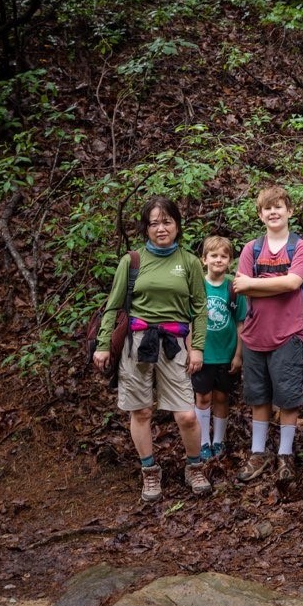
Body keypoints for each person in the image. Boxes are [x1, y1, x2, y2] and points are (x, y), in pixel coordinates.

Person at [92, 195, 211, 501]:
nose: (161, 228)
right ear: (145, 228)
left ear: (177, 225)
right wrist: (103, 344)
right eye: (154, 223)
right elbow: (113, 306)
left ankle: (194, 465)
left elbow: (200, 309)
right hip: (137, 344)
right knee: (142, 411)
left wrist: (197, 348)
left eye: (167, 222)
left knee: (186, 415)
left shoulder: (190, 262)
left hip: (175, 345)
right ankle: (150, 472)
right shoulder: (131, 262)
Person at [233, 186, 303, 485]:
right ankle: (258, 452)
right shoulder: (251, 249)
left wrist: (257, 282)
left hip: (288, 334)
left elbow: (294, 283)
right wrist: (271, 282)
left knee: (288, 398)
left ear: (289, 211)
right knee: (258, 397)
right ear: (260, 214)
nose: (273, 212)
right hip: (254, 335)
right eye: (268, 208)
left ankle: (285, 454)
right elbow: (240, 286)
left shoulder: (300, 247)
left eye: (279, 206)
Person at [192, 235, 248, 460]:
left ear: (230, 260)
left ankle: (219, 440)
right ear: (204, 259)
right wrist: (191, 351)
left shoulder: (234, 288)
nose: (218, 260)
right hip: (203, 354)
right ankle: (203, 440)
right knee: (203, 397)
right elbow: (191, 320)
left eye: (223, 256)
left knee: (222, 397)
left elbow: (240, 323)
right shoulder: (198, 287)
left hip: (226, 354)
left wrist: (238, 355)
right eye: (213, 255)